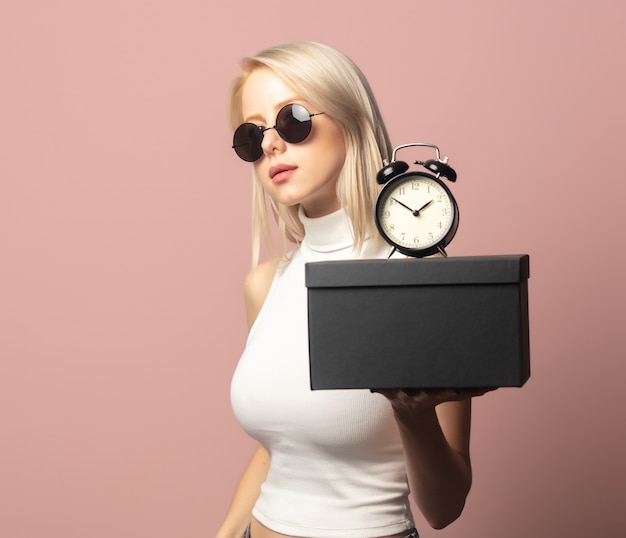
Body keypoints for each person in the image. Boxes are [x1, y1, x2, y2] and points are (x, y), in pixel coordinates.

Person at [218, 41, 488, 538]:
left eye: (293, 120)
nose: (273, 145)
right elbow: (280, 449)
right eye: (252, 136)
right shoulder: (263, 284)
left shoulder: (420, 280)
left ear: (351, 119)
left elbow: (445, 507)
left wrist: (412, 411)